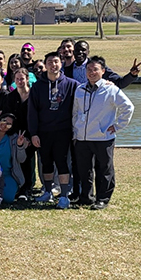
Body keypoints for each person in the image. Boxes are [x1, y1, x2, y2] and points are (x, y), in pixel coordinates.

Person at [72, 56, 134, 210]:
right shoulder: (80, 90)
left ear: (103, 71)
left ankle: (102, 198)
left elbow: (128, 107)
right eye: (89, 70)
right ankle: (86, 197)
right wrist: (76, 129)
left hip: (103, 137)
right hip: (82, 137)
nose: (92, 72)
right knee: (84, 169)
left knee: (104, 169)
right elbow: (75, 111)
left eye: (95, 69)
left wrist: (118, 125)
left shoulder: (111, 89)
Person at [28, 52, 80, 208]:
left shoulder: (72, 84)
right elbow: (32, 112)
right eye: (49, 62)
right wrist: (33, 133)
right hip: (44, 132)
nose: (53, 65)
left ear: (61, 63)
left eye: (56, 61)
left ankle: (64, 196)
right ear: (45, 65)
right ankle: (47, 192)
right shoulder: (37, 86)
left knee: (62, 163)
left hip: (63, 131)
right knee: (46, 163)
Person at [3, 68, 35, 198]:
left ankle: (29, 187)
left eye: (22, 78)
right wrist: (16, 136)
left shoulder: (34, 95)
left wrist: (29, 137)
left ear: (27, 79)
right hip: (16, 134)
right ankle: (20, 187)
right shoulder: (10, 97)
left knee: (30, 161)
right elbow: (7, 116)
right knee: (20, 161)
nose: (20, 81)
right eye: (17, 79)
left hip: (32, 134)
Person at [64, 40, 140, 88]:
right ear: (73, 52)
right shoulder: (67, 69)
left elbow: (120, 83)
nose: (80, 53)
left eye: (83, 50)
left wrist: (132, 75)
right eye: (77, 50)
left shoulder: (97, 67)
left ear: (88, 52)